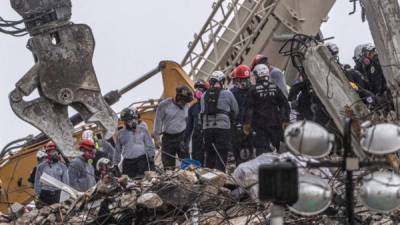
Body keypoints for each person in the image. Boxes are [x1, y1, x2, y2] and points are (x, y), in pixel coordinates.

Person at [248, 64, 290, 155]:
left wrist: (248, 124)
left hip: (260, 127)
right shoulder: (275, 87)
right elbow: (285, 104)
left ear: (258, 74)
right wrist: (284, 119)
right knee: (278, 152)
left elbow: (249, 109)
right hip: (275, 125)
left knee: (262, 153)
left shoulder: (253, 90)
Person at [201, 71, 239, 171]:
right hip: (223, 127)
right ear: (222, 81)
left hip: (207, 128)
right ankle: (220, 178)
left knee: (209, 154)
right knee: (221, 153)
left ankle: (208, 178)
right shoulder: (227, 93)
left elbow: (201, 113)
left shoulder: (204, 95)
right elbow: (236, 110)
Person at [153, 85, 193, 168]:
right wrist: (156, 138)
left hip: (182, 136)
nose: (184, 104)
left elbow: (188, 124)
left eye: (186, 102)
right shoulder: (164, 105)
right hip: (168, 139)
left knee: (186, 164)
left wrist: (189, 141)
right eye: (183, 101)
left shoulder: (187, 106)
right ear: (178, 97)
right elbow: (158, 122)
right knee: (168, 166)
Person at [114, 108, 155, 178]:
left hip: (142, 160)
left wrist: (151, 158)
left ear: (136, 118)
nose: (130, 121)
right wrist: (115, 164)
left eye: (131, 119)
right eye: (127, 120)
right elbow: (117, 150)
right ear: (124, 122)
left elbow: (149, 145)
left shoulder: (143, 130)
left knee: (144, 181)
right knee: (129, 184)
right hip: (128, 163)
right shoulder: (120, 134)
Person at [230, 65, 253, 165]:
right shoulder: (233, 92)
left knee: (249, 153)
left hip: (249, 126)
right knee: (239, 154)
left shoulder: (253, 90)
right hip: (239, 127)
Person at [34, 141, 69, 206]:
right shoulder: (41, 166)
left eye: (56, 151)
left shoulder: (62, 166)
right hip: (45, 194)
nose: (55, 153)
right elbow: (37, 182)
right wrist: (37, 196)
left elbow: (66, 183)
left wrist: (66, 195)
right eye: (52, 151)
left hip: (57, 194)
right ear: (47, 152)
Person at [184, 80, 209, 165]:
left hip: (208, 135)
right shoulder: (192, 108)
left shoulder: (210, 105)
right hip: (197, 136)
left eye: (201, 89)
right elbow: (189, 127)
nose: (199, 91)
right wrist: (184, 140)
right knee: (197, 159)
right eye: (197, 88)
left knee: (209, 159)